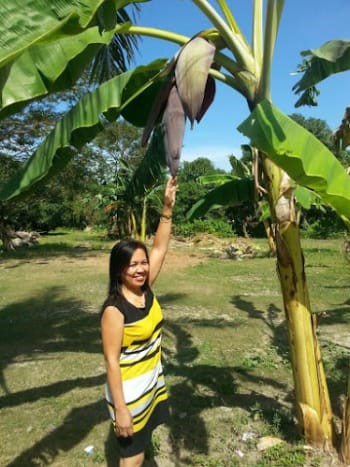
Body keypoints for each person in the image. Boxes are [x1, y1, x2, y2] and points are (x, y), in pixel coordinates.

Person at [100, 176, 177, 467]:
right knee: (131, 459)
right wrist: (121, 409)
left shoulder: (145, 289)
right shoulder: (115, 311)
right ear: (119, 270)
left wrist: (167, 208)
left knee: (141, 449)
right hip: (129, 395)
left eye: (142, 263)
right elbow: (111, 362)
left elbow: (159, 248)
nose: (141, 269)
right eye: (132, 265)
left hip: (150, 384)